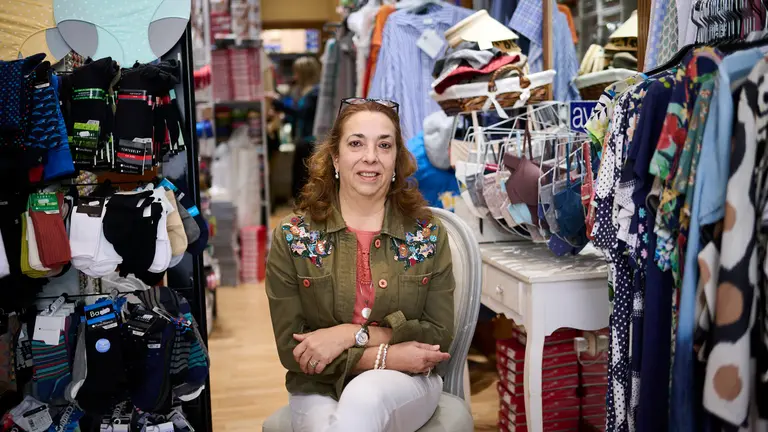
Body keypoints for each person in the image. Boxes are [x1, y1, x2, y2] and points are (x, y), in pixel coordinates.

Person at [266, 99, 456, 432]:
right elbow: (292, 348)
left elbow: (438, 335)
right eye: (356, 143)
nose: (371, 156)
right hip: (318, 385)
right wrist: (386, 354)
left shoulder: (427, 234)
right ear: (335, 158)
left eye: (384, 145)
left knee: (364, 397)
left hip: (407, 381)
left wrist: (348, 335)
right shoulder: (293, 236)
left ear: (396, 159)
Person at [267, 56, 321, 200]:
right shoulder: (304, 91)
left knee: (304, 179)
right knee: (300, 178)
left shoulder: (315, 92)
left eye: (296, 72)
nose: (294, 75)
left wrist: (278, 103)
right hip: (303, 139)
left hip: (310, 140)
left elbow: (300, 112)